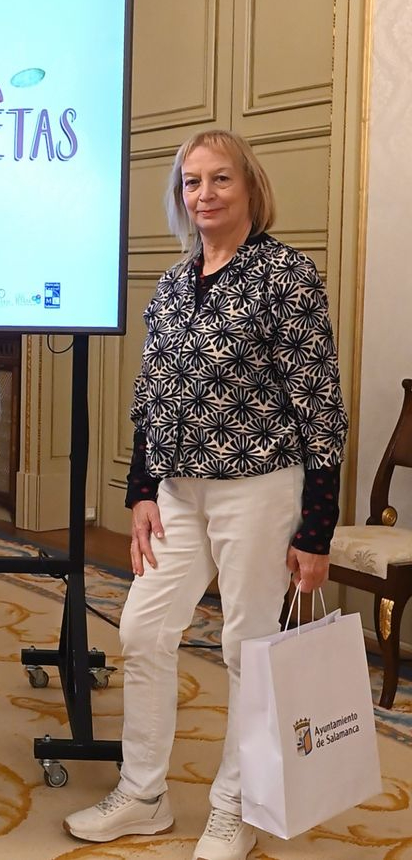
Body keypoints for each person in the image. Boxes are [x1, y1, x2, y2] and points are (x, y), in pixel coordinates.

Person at [63, 130, 348, 860]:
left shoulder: (286, 275)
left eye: (220, 179)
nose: (206, 194)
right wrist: (140, 490)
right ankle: (145, 793)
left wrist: (316, 532)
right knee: (141, 630)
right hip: (178, 491)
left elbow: (320, 406)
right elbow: (150, 394)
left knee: (246, 647)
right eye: (192, 182)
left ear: (249, 187)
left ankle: (236, 806)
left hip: (260, 488)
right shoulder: (172, 282)